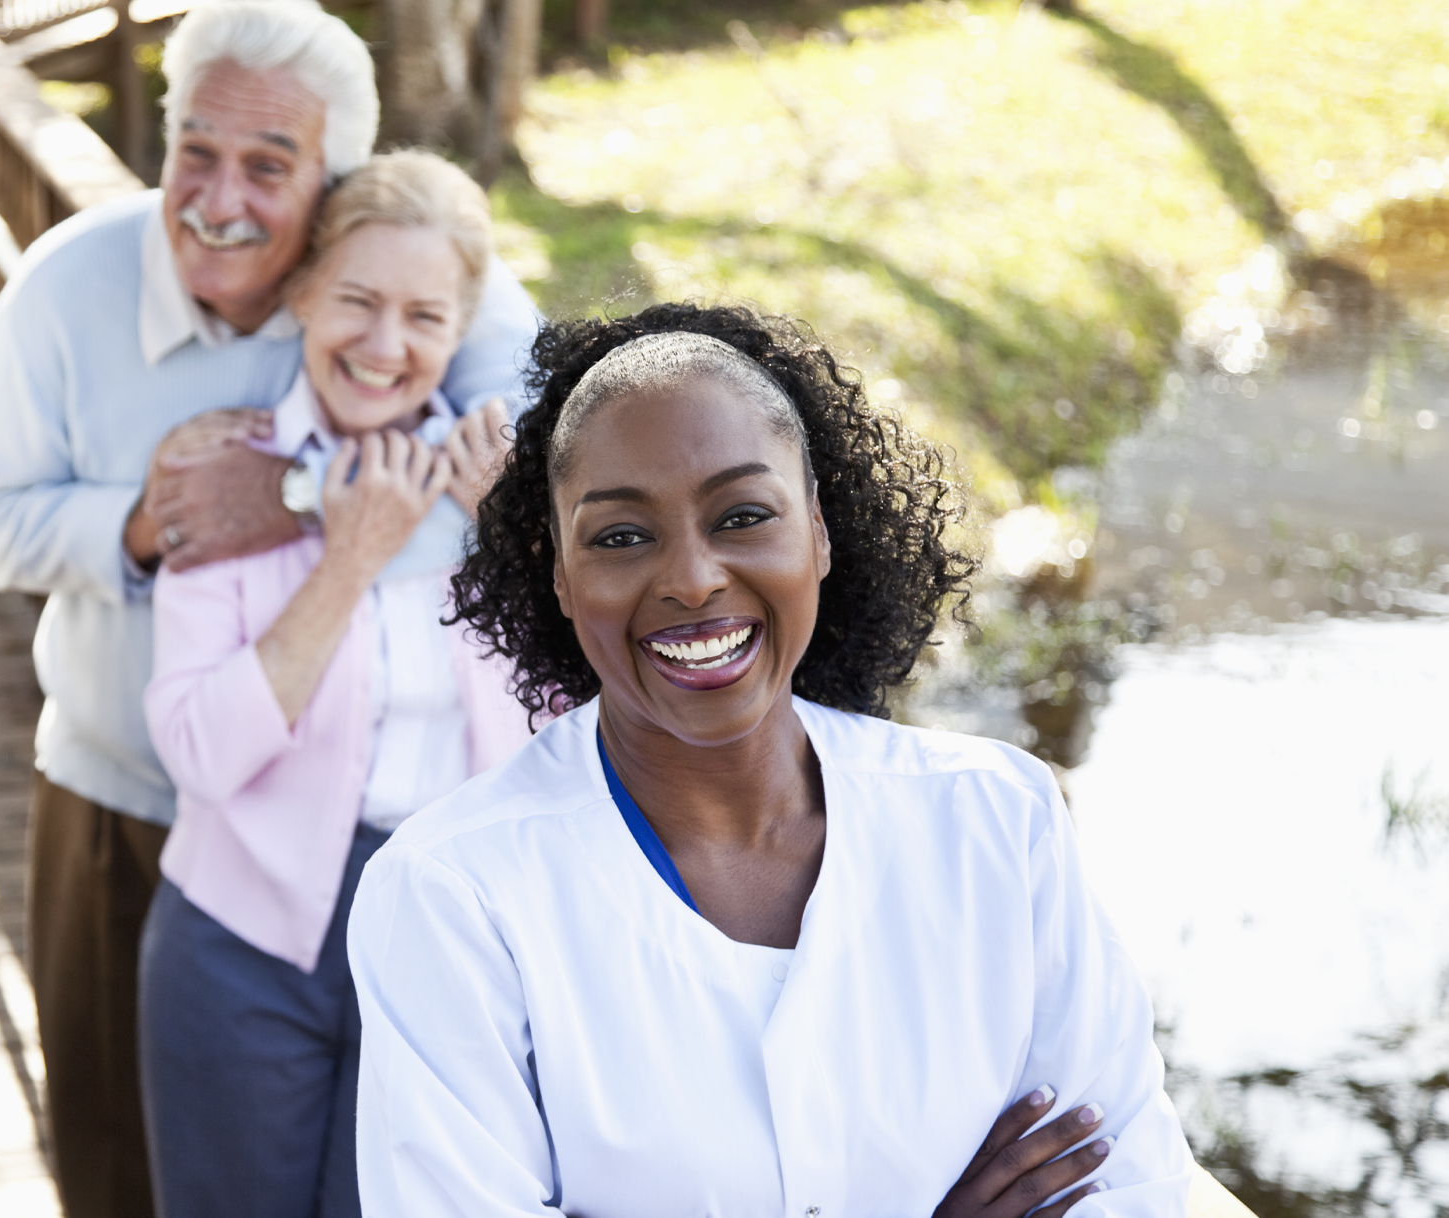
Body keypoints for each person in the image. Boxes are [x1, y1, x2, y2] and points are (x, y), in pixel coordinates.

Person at [346, 304, 1198, 1216]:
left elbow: (1126, 1186)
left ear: (819, 533)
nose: (692, 578)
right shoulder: (451, 895)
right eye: (622, 536)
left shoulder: (997, 820)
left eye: (744, 515)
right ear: (558, 572)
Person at [0, 3, 540, 1210]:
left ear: (336, 183)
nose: (218, 196)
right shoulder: (66, 288)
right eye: (193, 151)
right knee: (111, 1163)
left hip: (369, 840)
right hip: (118, 796)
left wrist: (292, 491)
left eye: (268, 166)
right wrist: (152, 524)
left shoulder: (409, 288)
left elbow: (516, 484)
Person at [138, 150, 534, 1218]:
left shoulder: (502, 490)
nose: (384, 344)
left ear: (458, 331)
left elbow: (574, 732)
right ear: (302, 294)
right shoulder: (227, 471)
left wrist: (510, 538)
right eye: (356, 301)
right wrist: (346, 560)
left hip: (453, 940)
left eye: (422, 316)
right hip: (242, 944)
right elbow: (199, 753)